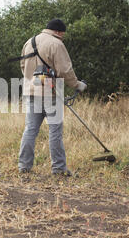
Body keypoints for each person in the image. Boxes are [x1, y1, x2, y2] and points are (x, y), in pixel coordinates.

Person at [18, 19, 87, 176]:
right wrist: (77, 85)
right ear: (58, 32)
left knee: (30, 130)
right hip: (51, 93)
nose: (63, 36)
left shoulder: (30, 41)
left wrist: (31, 79)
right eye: (62, 34)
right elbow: (65, 70)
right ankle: (58, 169)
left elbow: (22, 66)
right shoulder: (56, 44)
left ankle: (24, 166)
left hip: (30, 91)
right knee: (55, 131)